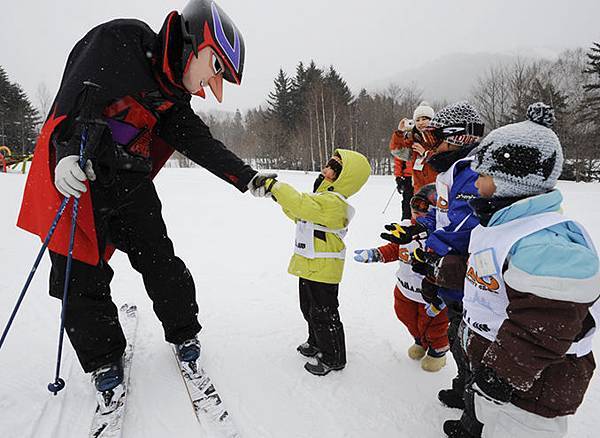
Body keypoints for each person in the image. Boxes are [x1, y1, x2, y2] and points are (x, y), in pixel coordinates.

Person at [16, 0, 272, 407]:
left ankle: (184, 330)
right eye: (217, 67)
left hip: (128, 180)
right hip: (79, 174)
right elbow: (76, 94)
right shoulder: (123, 39)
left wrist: (248, 178)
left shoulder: (173, 100)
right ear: (194, 41)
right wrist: (65, 150)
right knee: (79, 272)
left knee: (159, 258)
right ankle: (103, 359)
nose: (213, 86)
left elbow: (203, 145)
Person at [432, 103, 600, 438]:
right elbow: (491, 271)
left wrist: (500, 374)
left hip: (532, 390)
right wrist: (448, 271)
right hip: (502, 370)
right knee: (486, 417)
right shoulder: (503, 223)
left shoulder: (545, 243)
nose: (475, 185)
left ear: (511, 182)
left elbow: (547, 323)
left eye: (483, 176)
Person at [381, 101, 484, 409]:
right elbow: (443, 216)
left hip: (466, 272)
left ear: (457, 138)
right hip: (450, 271)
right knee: (456, 333)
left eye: (434, 137)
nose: (428, 145)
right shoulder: (452, 172)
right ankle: (463, 384)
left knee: (468, 336)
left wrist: (431, 249)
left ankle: (475, 403)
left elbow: (463, 229)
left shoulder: (472, 174)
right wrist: (417, 228)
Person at [252, 149, 371, 376]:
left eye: (334, 169)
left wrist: (275, 187)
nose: (326, 170)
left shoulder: (335, 203)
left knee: (324, 313)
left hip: (324, 268)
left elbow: (300, 204)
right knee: (308, 309)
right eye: (328, 164)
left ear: (345, 178)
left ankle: (333, 356)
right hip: (310, 263)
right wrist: (276, 196)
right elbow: (297, 212)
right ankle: (316, 342)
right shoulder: (321, 200)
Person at [354, 183, 449, 372]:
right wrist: (376, 254)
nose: (417, 212)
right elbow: (394, 248)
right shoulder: (406, 229)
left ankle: (437, 351)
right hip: (404, 290)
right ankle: (420, 341)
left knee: (433, 325)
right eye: (415, 205)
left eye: (425, 208)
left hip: (429, 295)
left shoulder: (443, 236)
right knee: (406, 317)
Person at [389, 101, 438, 219]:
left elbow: (444, 161)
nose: (421, 123)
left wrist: (426, 154)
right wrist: (399, 133)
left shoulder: (439, 139)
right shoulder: (413, 140)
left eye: (424, 119)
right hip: (417, 188)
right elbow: (397, 152)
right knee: (415, 214)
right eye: (418, 120)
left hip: (437, 189)